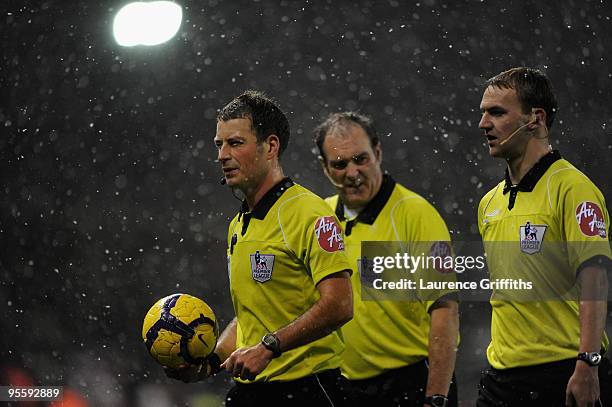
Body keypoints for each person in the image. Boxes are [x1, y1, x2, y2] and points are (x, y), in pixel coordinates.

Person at [166, 90, 354, 407]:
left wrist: (269, 347)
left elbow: (340, 305)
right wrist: (210, 363)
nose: (222, 155)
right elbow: (250, 319)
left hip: (308, 390)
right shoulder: (238, 225)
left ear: (270, 146)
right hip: (252, 392)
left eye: (235, 143)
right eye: (219, 144)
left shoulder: (311, 213)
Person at [477, 67, 611, 406]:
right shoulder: (488, 203)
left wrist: (588, 362)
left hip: (561, 373)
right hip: (501, 379)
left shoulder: (573, 189)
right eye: (483, 113)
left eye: (496, 112)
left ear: (535, 118)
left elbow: (596, 279)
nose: (483, 124)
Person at [313, 112, 459, 407]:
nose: (352, 172)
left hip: (411, 385)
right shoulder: (321, 220)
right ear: (325, 168)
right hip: (345, 389)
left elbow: (445, 313)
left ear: (378, 152)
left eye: (360, 159)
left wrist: (436, 398)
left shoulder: (415, 215)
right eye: (340, 164)